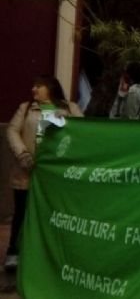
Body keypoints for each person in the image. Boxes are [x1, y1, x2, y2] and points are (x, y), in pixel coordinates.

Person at [5, 75, 82, 271]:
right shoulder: (26, 108)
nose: (33, 89)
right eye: (33, 85)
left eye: (38, 85)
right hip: (27, 172)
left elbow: (82, 132)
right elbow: (12, 131)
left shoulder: (70, 108)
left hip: (55, 174)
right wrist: (23, 154)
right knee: (22, 213)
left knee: (53, 214)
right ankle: (14, 252)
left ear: (51, 88)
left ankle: (49, 256)